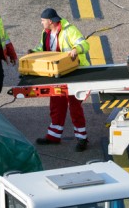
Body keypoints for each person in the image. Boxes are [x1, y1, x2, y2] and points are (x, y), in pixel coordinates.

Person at [30, 8, 90, 152]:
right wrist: (33, 52)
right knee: (56, 104)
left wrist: (76, 49)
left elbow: (85, 45)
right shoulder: (46, 33)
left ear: (50, 21)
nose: (41, 23)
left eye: (43, 20)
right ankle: (53, 136)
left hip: (74, 73)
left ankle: (82, 139)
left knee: (75, 107)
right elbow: (42, 47)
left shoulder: (69, 30)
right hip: (57, 73)